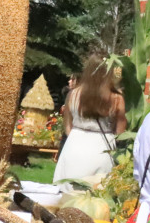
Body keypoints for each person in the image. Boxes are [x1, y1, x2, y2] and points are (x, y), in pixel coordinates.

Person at [54, 55, 126, 184]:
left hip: (75, 144)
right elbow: (120, 133)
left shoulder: (73, 94)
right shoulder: (116, 98)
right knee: (97, 195)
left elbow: (67, 125)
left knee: (67, 194)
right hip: (102, 148)